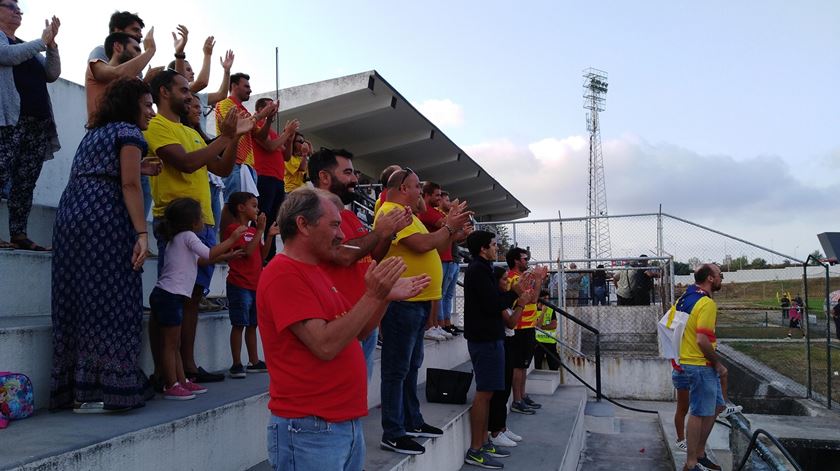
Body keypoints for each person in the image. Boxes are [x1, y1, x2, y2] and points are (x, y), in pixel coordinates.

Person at [256, 188, 430, 470]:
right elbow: (325, 345)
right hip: (310, 428)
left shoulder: (315, 271)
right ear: (303, 224)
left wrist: (383, 297)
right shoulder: (283, 274)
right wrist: (373, 295)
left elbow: (358, 333)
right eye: (334, 225)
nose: (340, 235)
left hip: (338, 424)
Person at [50, 78, 160, 412]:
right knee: (115, 297)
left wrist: (140, 165)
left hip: (71, 214)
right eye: (146, 105)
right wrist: (142, 234)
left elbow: (101, 169)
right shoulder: (129, 133)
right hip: (105, 218)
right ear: (131, 106)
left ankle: (76, 388)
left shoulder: (95, 133)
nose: (152, 112)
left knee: (77, 298)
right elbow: (128, 184)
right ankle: (112, 386)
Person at [144, 69, 253, 384]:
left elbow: (221, 165)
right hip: (175, 223)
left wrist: (235, 139)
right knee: (171, 294)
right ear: (164, 92)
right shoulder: (157, 125)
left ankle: (187, 366)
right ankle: (166, 371)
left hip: (202, 221)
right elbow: (188, 163)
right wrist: (227, 136)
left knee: (192, 296)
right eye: (183, 90)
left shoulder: (191, 131)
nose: (189, 96)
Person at [375, 167, 472, 455]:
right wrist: (450, 226)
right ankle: (392, 432)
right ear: (404, 187)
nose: (421, 192)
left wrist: (454, 231)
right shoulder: (390, 212)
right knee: (396, 370)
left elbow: (437, 242)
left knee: (411, 365)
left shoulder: (411, 216)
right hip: (401, 304)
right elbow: (422, 245)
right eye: (418, 187)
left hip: (416, 303)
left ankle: (411, 420)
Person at [308, 147, 411, 380]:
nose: (355, 179)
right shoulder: (316, 214)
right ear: (324, 177)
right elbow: (343, 255)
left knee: (357, 396)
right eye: (347, 173)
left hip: (363, 320)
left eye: (354, 173)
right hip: (340, 324)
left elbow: (372, 255)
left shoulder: (350, 215)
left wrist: (387, 234)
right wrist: (379, 232)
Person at [150, 197, 245, 399]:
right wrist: (232, 238)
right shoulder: (188, 236)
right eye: (200, 216)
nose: (203, 220)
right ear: (192, 222)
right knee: (170, 344)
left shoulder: (178, 238)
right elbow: (209, 254)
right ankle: (171, 384)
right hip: (170, 296)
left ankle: (181, 380)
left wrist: (227, 256)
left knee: (174, 344)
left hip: (166, 295)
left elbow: (201, 260)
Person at [463, 230, 535, 468]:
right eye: (494, 245)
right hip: (484, 340)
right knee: (484, 394)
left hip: (490, 338)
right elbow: (493, 304)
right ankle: (476, 449)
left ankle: (483, 442)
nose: (497, 248)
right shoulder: (478, 271)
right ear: (483, 249)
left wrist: (515, 295)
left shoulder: (482, 270)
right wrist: (516, 297)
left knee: (491, 393)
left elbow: (495, 302)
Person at [0, 5, 61, 250]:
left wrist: (52, 46)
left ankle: (19, 234)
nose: (18, 11)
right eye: (10, 6)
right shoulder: (11, 44)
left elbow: (52, 73)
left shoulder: (29, 46)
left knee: (26, 181)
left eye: (19, 9)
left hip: (37, 124)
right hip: (9, 121)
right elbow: (7, 55)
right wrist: (41, 41)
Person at [222, 192, 277, 378]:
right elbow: (247, 252)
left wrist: (268, 236)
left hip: (255, 284)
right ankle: (236, 363)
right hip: (239, 284)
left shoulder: (254, 231)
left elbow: (261, 255)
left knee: (253, 324)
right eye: (254, 206)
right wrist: (260, 231)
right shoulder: (234, 229)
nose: (257, 209)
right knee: (239, 324)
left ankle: (254, 361)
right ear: (241, 208)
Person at [680, 263, 726, 471]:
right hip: (700, 364)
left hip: (691, 361)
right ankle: (691, 462)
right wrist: (717, 363)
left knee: (716, 406)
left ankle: (699, 453)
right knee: (698, 412)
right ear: (709, 278)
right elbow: (702, 339)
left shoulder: (685, 298)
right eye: (719, 275)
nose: (721, 279)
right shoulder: (706, 303)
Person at [253, 98, 298, 261]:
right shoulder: (258, 126)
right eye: (269, 105)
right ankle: (256, 253)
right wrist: (286, 133)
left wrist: (290, 139)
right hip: (264, 177)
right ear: (259, 109)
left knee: (273, 220)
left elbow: (286, 156)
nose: (274, 108)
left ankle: (269, 255)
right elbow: (270, 146)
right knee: (262, 217)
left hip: (278, 180)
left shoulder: (273, 133)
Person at [504, 247, 544, 414]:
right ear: (516, 261)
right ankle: (517, 400)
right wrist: (538, 279)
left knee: (524, 365)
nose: (527, 261)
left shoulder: (522, 278)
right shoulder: (513, 279)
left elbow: (534, 298)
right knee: (518, 366)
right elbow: (532, 299)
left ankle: (522, 395)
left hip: (528, 326)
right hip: (519, 327)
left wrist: (537, 280)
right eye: (524, 259)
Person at [417, 181, 453, 341]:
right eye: (437, 195)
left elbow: (450, 232)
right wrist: (454, 216)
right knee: (435, 294)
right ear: (427, 195)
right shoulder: (428, 212)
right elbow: (446, 226)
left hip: (442, 257)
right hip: (436, 257)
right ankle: (430, 325)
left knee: (439, 294)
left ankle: (435, 325)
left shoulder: (433, 211)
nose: (440, 198)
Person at [533, 293, 559, 371]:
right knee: (537, 365)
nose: (547, 300)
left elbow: (554, 325)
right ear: (540, 299)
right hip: (538, 342)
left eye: (548, 298)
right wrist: (543, 312)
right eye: (544, 298)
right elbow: (537, 326)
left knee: (553, 365)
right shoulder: (534, 310)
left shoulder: (551, 309)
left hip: (550, 341)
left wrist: (542, 327)